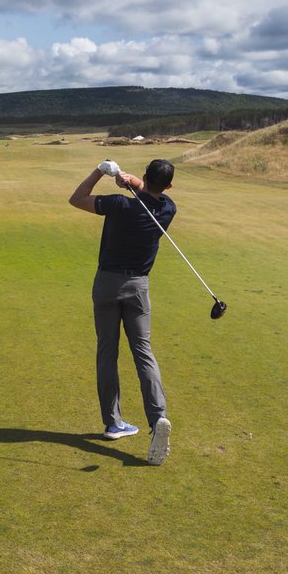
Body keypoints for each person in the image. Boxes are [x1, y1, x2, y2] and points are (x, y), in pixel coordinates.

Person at [68, 158, 176, 466]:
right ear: (168, 186)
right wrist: (135, 183)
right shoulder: (167, 209)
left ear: (144, 176)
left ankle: (113, 423)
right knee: (143, 352)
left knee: (107, 353)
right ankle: (158, 420)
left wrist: (100, 172)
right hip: (138, 287)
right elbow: (151, 193)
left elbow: (76, 199)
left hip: (106, 284)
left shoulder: (119, 204)